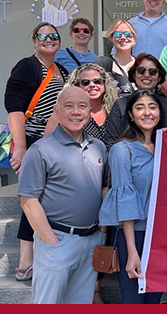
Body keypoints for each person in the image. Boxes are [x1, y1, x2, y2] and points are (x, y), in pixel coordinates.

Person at [18, 86, 108, 304]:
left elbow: (103, 189)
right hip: (58, 240)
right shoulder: (40, 150)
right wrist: (51, 241)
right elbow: (29, 202)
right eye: (68, 106)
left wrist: (102, 230)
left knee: (81, 302)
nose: (76, 112)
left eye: (82, 106)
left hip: (91, 241)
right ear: (56, 110)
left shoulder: (99, 147)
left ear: (89, 112)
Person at [2, 22, 70, 283]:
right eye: (43, 36)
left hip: (54, 144)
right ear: (34, 40)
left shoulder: (62, 70)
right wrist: (21, 148)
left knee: (46, 199)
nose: (49, 40)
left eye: (53, 36)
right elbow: (15, 108)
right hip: (32, 141)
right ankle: (25, 261)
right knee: (31, 200)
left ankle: (42, 257)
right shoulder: (27, 66)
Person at [97, 90, 165, 304]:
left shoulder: (165, 148)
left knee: (154, 300)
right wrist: (132, 251)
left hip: (160, 236)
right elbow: (125, 201)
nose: (147, 113)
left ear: (160, 114)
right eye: (140, 107)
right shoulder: (121, 150)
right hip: (133, 235)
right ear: (130, 114)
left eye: (152, 107)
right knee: (133, 300)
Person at [104, 53, 167, 145]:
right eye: (141, 71)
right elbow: (110, 142)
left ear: (159, 78)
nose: (146, 75)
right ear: (134, 75)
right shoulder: (121, 105)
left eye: (153, 72)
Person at [43, 64, 119, 148]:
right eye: (86, 82)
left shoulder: (114, 110)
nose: (92, 85)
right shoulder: (64, 112)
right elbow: (47, 144)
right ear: (77, 86)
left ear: (104, 84)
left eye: (97, 81)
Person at [94, 20, 138, 95]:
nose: (123, 37)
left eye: (128, 34)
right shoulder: (103, 64)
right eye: (118, 34)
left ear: (134, 38)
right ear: (111, 38)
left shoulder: (141, 64)